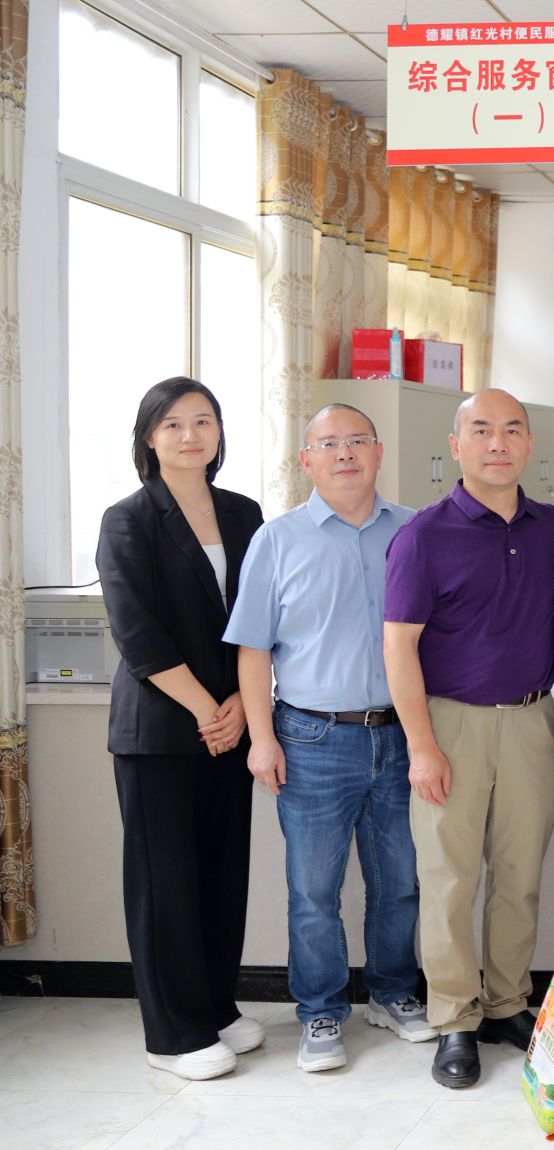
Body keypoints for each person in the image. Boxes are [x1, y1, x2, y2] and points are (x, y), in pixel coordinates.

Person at [227, 404, 437, 1073]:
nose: (344, 453)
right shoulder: (277, 540)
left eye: (357, 441)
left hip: (400, 735)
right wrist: (262, 739)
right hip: (311, 739)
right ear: (306, 460)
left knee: (399, 882)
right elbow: (253, 651)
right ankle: (320, 1011)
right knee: (314, 891)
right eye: (328, 443)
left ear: (378, 452)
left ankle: (394, 993)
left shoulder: (415, 530)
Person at [384, 388, 554, 1090]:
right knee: (449, 879)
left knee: (519, 875)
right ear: (456, 446)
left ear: (529, 445)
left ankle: (508, 1003)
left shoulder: (553, 528)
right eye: (481, 430)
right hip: (449, 723)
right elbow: (399, 647)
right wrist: (421, 746)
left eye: (512, 430)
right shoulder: (424, 535)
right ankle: (455, 1019)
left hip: (531, 720)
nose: (498, 443)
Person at [97, 377, 265, 1080]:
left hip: (233, 719)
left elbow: (262, 616)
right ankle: (172, 1034)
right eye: (173, 424)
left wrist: (242, 707)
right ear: (149, 437)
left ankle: (216, 1008)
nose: (190, 435)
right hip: (162, 729)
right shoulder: (128, 519)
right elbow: (136, 633)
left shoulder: (245, 512)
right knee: (165, 881)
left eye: (203, 421)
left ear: (220, 433)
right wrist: (206, 708)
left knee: (221, 874)